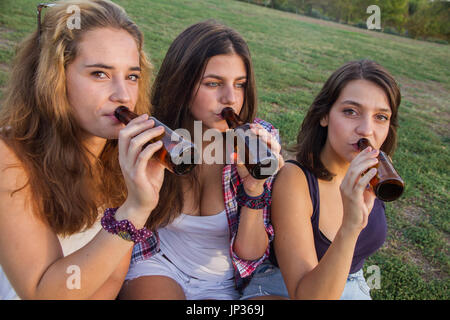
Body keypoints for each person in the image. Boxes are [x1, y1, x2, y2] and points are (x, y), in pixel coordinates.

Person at [0, 0, 165, 299]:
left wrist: (139, 205)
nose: (123, 95)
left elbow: (112, 278)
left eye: (132, 76)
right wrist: (133, 211)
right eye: (99, 74)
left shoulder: (119, 159)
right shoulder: (9, 157)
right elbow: (40, 293)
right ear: (55, 77)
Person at [118, 20, 284, 300]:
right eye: (213, 83)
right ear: (182, 83)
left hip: (225, 281)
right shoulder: (157, 135)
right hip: (158, 262)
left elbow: (252, 254)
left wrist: (254, 189)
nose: (230, 98)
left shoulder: (258, 143)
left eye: (239, 85)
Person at [247, 59, 401, 300]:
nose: (366, 130)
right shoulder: (295, 179)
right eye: (351, 111)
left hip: (353, 285)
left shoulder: (378, 173)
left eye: (381, 117)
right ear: (324, 115)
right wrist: (351, 225)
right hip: (285, 287)